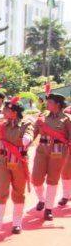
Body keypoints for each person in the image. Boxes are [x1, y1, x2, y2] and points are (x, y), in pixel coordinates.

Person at [0, 96, 34, 235]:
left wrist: (24, 139)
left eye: (6, 110)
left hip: (19, 161)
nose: (3, 111)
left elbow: (28, 137)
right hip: (3, 160)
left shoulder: (26, 124)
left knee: (18, 193)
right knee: (1, 193)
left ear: (15, 112)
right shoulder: (2, 125)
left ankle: (16, 223)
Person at [31, 86, 71, 221]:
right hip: (42, 149)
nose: (47, 104)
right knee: (36, 179)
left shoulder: (66, 119)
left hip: (58, 152)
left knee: (52, 180)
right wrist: (25, 142)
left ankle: (48, 208)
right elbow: (33, 133)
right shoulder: (42, 118)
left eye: (50, 102)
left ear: (57, 104)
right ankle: (42, 199)